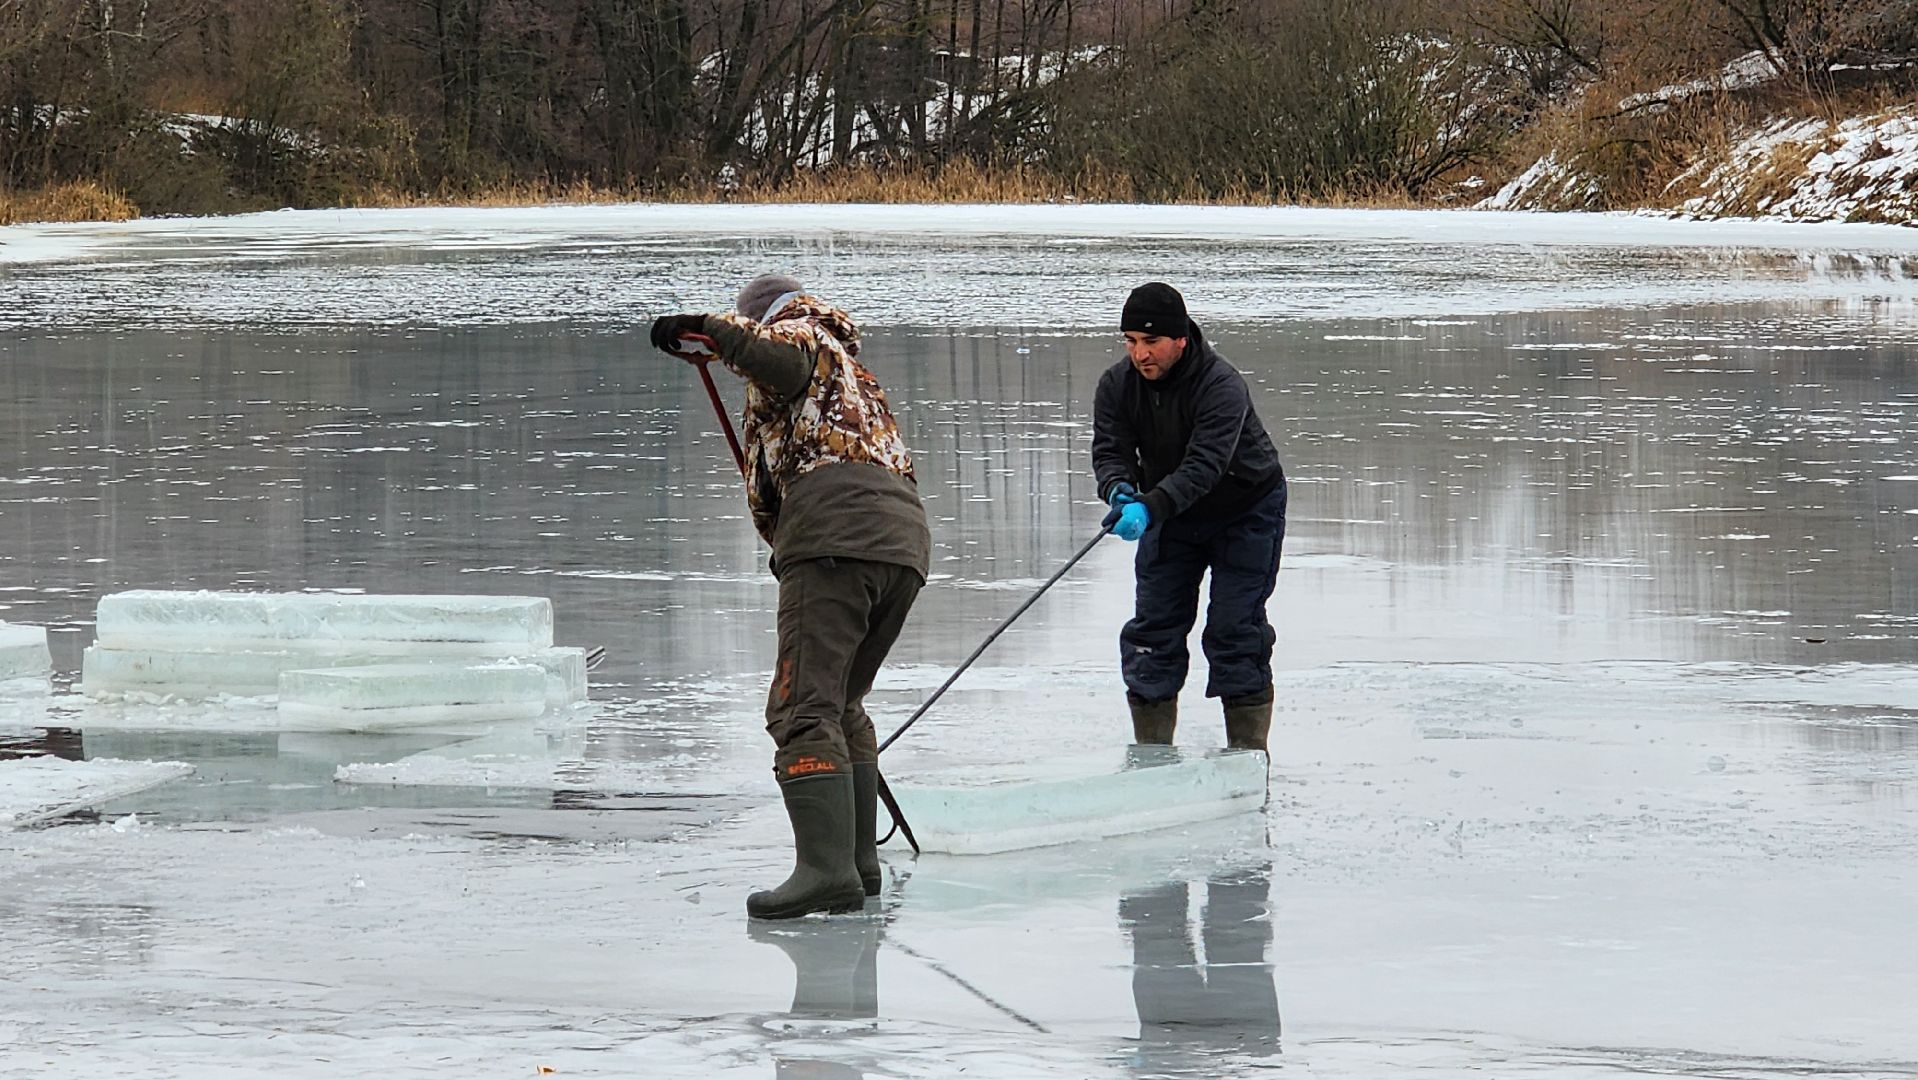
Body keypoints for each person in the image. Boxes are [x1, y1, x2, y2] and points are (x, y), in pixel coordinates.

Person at [651, 274, 930, 920]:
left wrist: (713, 331)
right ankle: (859, 866)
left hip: (837, 538)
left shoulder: (801, 335)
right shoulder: (849, 371)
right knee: (842, 703)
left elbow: (776, 354)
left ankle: (824, 870)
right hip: (903, 543)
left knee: (801, 709)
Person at [1091, 282, 1287, 751]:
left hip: (1244, 510)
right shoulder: (1116, 386)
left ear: (1180, 339)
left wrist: (1149, 505)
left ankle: (1246, 757)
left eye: (1151, 342)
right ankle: (1153, 757)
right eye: (1131, 341)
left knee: (1234, 630)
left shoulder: (1222, 386)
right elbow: (1110, 450)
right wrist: (1118, 489)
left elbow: (1205, 466)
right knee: (1153, 629)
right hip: (1170, 514)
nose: (1140, 354)